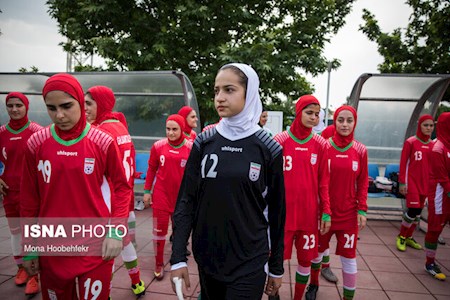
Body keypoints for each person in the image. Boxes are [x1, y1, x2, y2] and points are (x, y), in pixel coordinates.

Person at [169, 63, 285, 300]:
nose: (220, 98)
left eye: (229, 90)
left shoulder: (269, 148)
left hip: (249, 260)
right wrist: (178, 257)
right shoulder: (204, 142)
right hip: (208, 257)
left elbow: (277, 212)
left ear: (249, 93)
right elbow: (186, 201)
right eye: (216, 90)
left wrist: (276, 266)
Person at [20, 73, 130, 300]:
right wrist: (29, 246)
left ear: (80, 101)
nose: (59, 115)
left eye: (66, 106)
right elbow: (29, 199)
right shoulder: (36, 143)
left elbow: (122, 188)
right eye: (51, 108)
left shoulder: (102, 141)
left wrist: (116, 232)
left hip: (95, 245)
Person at [85, 85, 145, 296]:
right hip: (124, 199)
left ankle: (105, 291)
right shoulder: (121, 127)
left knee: (106, 249)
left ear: (101, 104)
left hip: (108, 201)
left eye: (89, 103)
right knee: (125, 240)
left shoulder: (99, 132)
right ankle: (137, 281)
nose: (85, 109)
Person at [274, 95, 331, 300]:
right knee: (276, 259)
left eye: (317, 114)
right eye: (309, 113)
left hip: (308, 216)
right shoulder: (279, 141)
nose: (314, 118)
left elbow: (324, 182)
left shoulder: (321, 144)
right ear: (298, 113)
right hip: (283, 215)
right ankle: (274, 294)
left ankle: (298, 296)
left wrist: (326, 212)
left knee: (306, 260)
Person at [308, 105, 368, 300]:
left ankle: (348, 297)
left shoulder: (360, 149)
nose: (344, 124)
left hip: (349, 214)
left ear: (355, 123)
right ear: (335, 122)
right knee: (317, 253)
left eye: (349, 120)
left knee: (349, 258)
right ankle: (314, 284)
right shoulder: (324, 145)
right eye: (340, 120)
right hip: (324, 213)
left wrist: (362, 209)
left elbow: (363, 182)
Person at [0, 92, 43, 296]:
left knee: (31, 234)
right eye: (10, 105)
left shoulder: (37, 132)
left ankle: (34, 276)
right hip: (10, 193)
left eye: (19, 105)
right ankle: (21, 269)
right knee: (16, 233)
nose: (14, 109)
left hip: (33, 195)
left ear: (26, 107)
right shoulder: (1, 132)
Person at [142, 114, 192, 280]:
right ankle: (158, 263)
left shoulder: (191, 147)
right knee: (159, 232)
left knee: (179, 233)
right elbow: (151, 169)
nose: (170, 133)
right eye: (168, 129)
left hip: (182, 199)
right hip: (162, 195)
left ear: (182, 129)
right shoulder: (158, 146)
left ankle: (177, 262)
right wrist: (147, 191)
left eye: (174, 129)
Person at [396, 115, 435, 251]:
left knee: (418, 213)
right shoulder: (411, 142)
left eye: (431, 125)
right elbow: (403, 163)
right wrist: (402, 182)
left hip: (426, 184)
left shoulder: (433, 145)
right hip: (412, 183)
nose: (429, 128)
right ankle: (401, 236)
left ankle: (409, 237)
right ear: (420, 125)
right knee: (413, 210)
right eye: (426, 125)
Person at [424, 112, 450, 281]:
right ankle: (430, 263)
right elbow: (442, 177)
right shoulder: (437, 147)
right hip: (439, 194)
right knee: (435, 228)